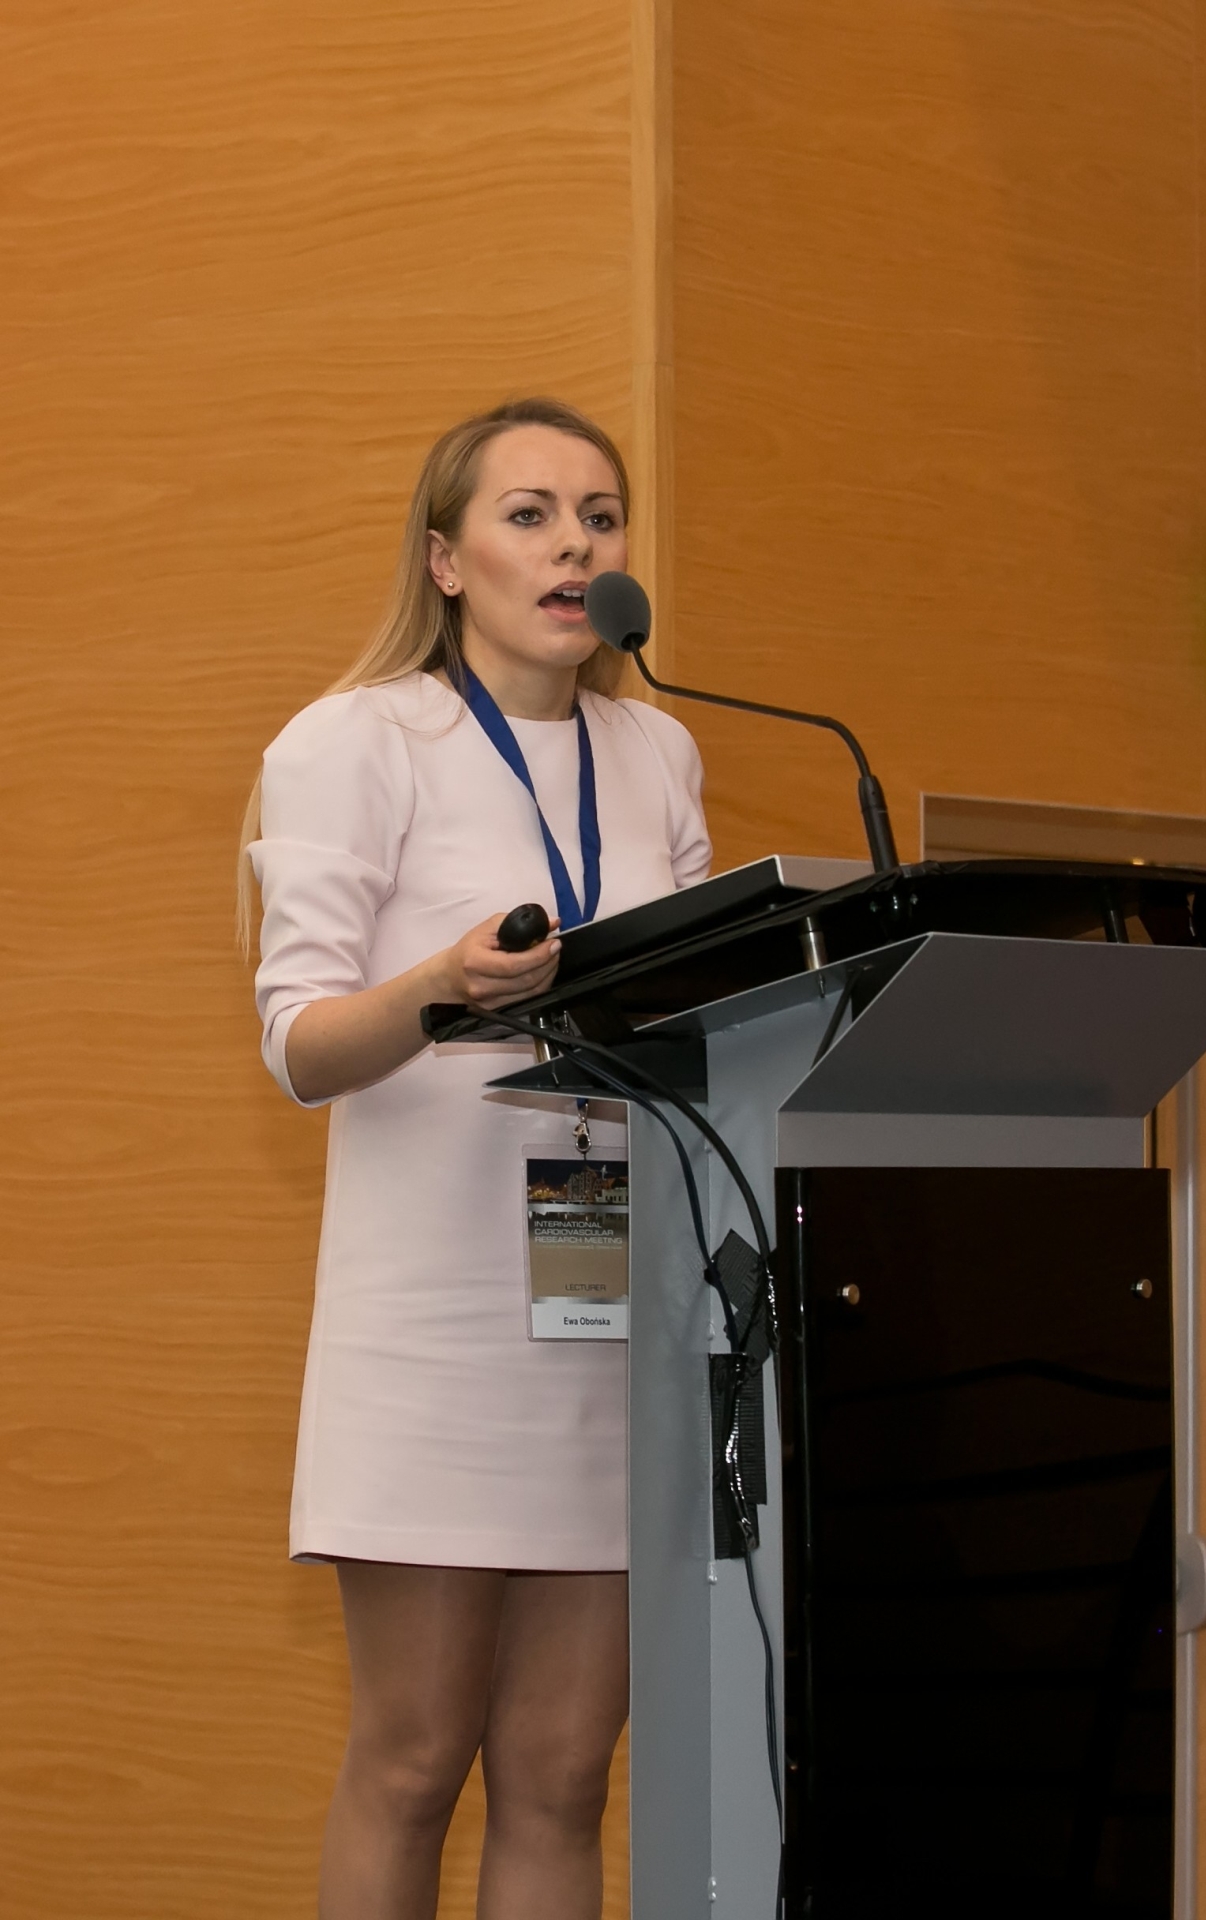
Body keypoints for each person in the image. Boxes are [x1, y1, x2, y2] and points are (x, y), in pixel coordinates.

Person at [240, 396, 712, 1920]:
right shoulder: (360, 739)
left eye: (601, 516)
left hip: (609, 1321)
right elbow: (300, 1043)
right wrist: (446, 985)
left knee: (565, 1772)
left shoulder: (657, 751)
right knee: (414, 1757)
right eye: (530, 515)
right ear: (446, 559)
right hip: (435, 1333)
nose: (575, 545)